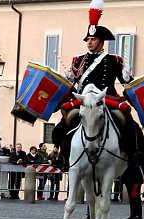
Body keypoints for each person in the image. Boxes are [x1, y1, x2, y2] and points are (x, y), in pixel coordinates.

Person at [53, 0, 144, 167]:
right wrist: (67, 78)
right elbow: (71, 83)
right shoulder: (78, 60)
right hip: (84, 99)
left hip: (106, 98)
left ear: (101, 41)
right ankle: (61, 153)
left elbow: (126, 83)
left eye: (93, 39)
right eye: (88, 39)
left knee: (127, 118)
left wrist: (127, 76)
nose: (89, 42)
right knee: (66, 116)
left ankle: (133, 152)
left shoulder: (114, 60)